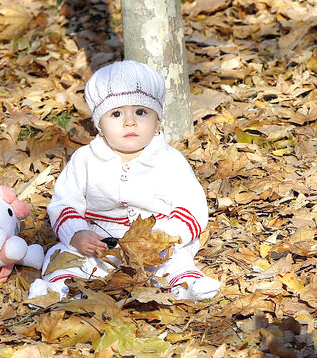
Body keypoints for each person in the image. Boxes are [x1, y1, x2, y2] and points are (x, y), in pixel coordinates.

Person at [28, 60, 221, 301]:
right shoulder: (86, 159)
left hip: (155, 244)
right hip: (100, 242)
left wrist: (164, 237)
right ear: (100, 125)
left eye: (141, 112)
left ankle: (186, 286)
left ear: (157, 120)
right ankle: (59, 291)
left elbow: (191, 206)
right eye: (116, 114)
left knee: (175, 260)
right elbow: (65, 202)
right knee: (62, 254)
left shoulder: (170, 160)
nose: (130, 122)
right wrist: (77, 233)